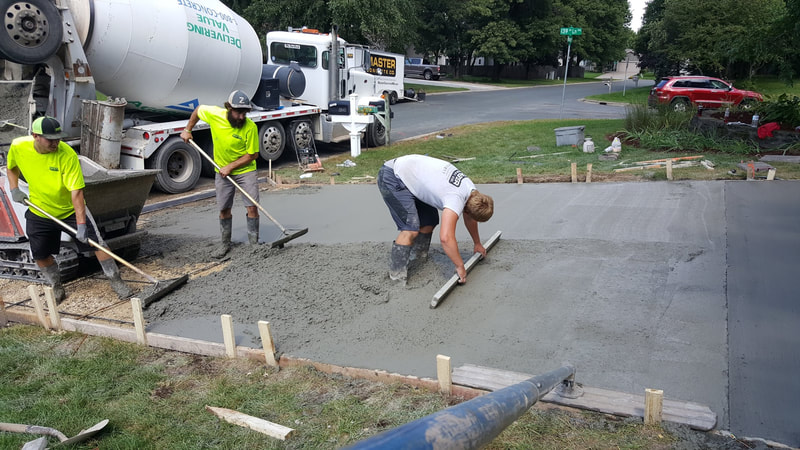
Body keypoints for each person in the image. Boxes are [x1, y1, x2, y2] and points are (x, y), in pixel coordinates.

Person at [7, 116, 133, 302]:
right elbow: (12, 167)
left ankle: (116, 280)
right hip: (39, 210)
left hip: (69, 211)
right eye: (51, 139)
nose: (56, 143)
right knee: (40, 254)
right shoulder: (19, 146)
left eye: (58, 138)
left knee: (97, 243)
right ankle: (56, 285)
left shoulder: (67, 155)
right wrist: (14, 189)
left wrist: (81, 224)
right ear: (35, 136)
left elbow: (76, 193)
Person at [378, 154, 494, 284]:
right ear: (466, 209)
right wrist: (459, 265)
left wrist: (477, 243)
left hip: (413, 175)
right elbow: (445, 238)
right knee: (410, 229)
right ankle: (396, 277)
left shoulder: (472, 192)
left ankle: (417, 259)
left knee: (429, 221)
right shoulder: (454, 199)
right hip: (393, 176)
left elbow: (470, 218)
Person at [180, 90, 260, 258]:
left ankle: (254, 245)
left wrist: (231, 167)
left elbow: (252, 155)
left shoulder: (250, 127)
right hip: (222, 171)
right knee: (224, 209)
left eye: (244, 113)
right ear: (229, 108)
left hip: (245, 170)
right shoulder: (215, 114)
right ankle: (225, 244)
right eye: (238, 112)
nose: (241, 117)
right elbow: (198, 110)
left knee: (252, 206)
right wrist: (188, 129)